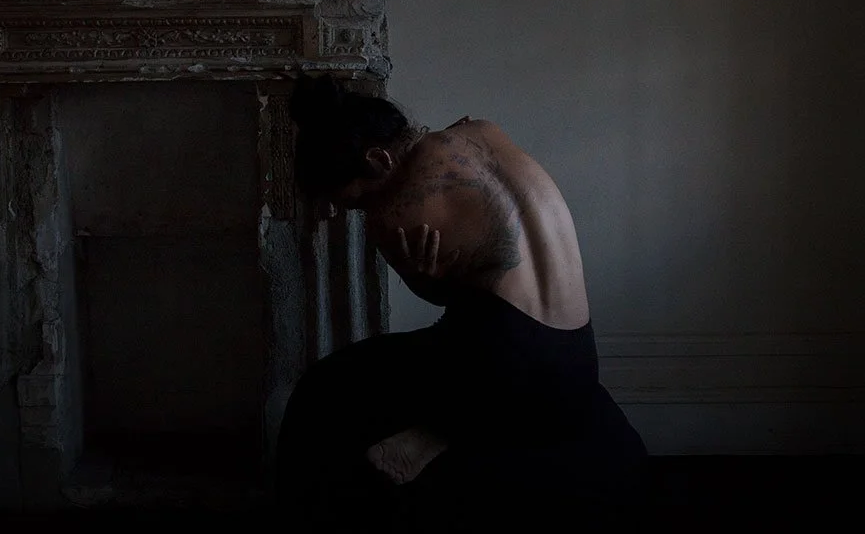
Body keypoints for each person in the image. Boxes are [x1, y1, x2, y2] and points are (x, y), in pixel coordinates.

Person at [275, 74, 648, 532]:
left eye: (356, 202)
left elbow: (445, 297)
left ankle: (430, 440)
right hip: (576, 357)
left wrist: (419, 276)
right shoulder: (481, 130)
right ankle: (442, 431)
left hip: (510, 366)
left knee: (325, 386)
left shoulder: (395, 216)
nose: (353, 213)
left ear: (377, 159)